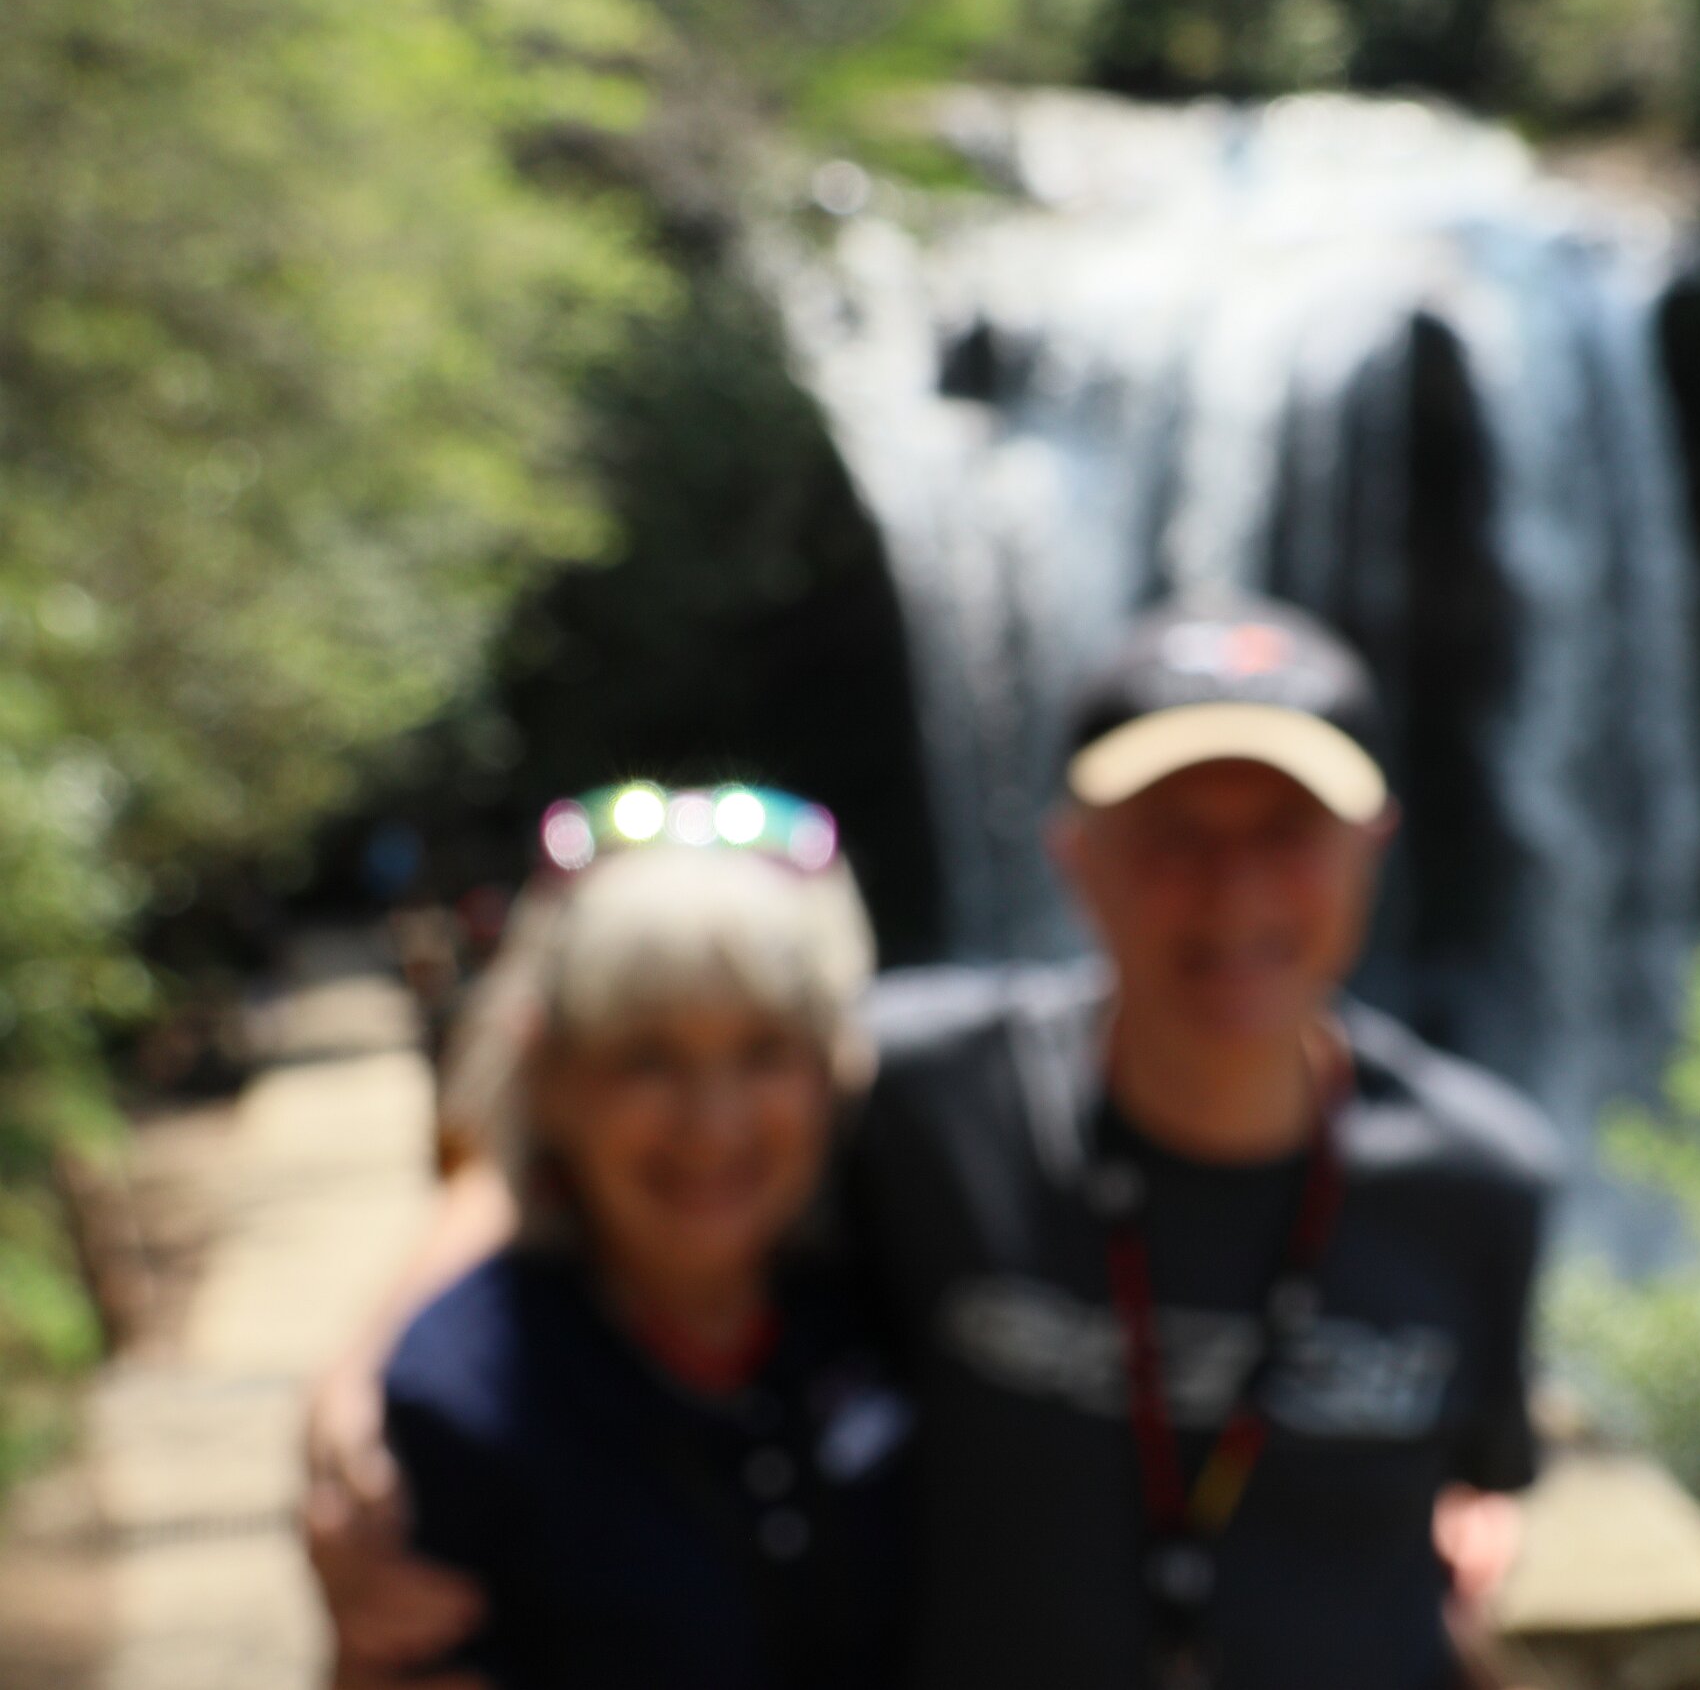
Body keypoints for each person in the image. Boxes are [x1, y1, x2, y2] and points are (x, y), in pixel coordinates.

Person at [309, 596, 1559, 1690]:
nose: (1233, 888)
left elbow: (1476, 1483)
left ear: (1374, 845)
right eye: (1174, 833)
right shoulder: (925, 1091)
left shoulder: (1483, 1180)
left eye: (1285, 829)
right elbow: (604, 1139)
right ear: (1075, 855)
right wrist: (364, 1395)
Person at [369, 787, 909, 1690]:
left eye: (764, 1051)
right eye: (646, 1059)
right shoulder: (460, 1398)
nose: (714, 1124)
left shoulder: (903, 1296)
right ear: (552, 1078)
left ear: (832, 1070)